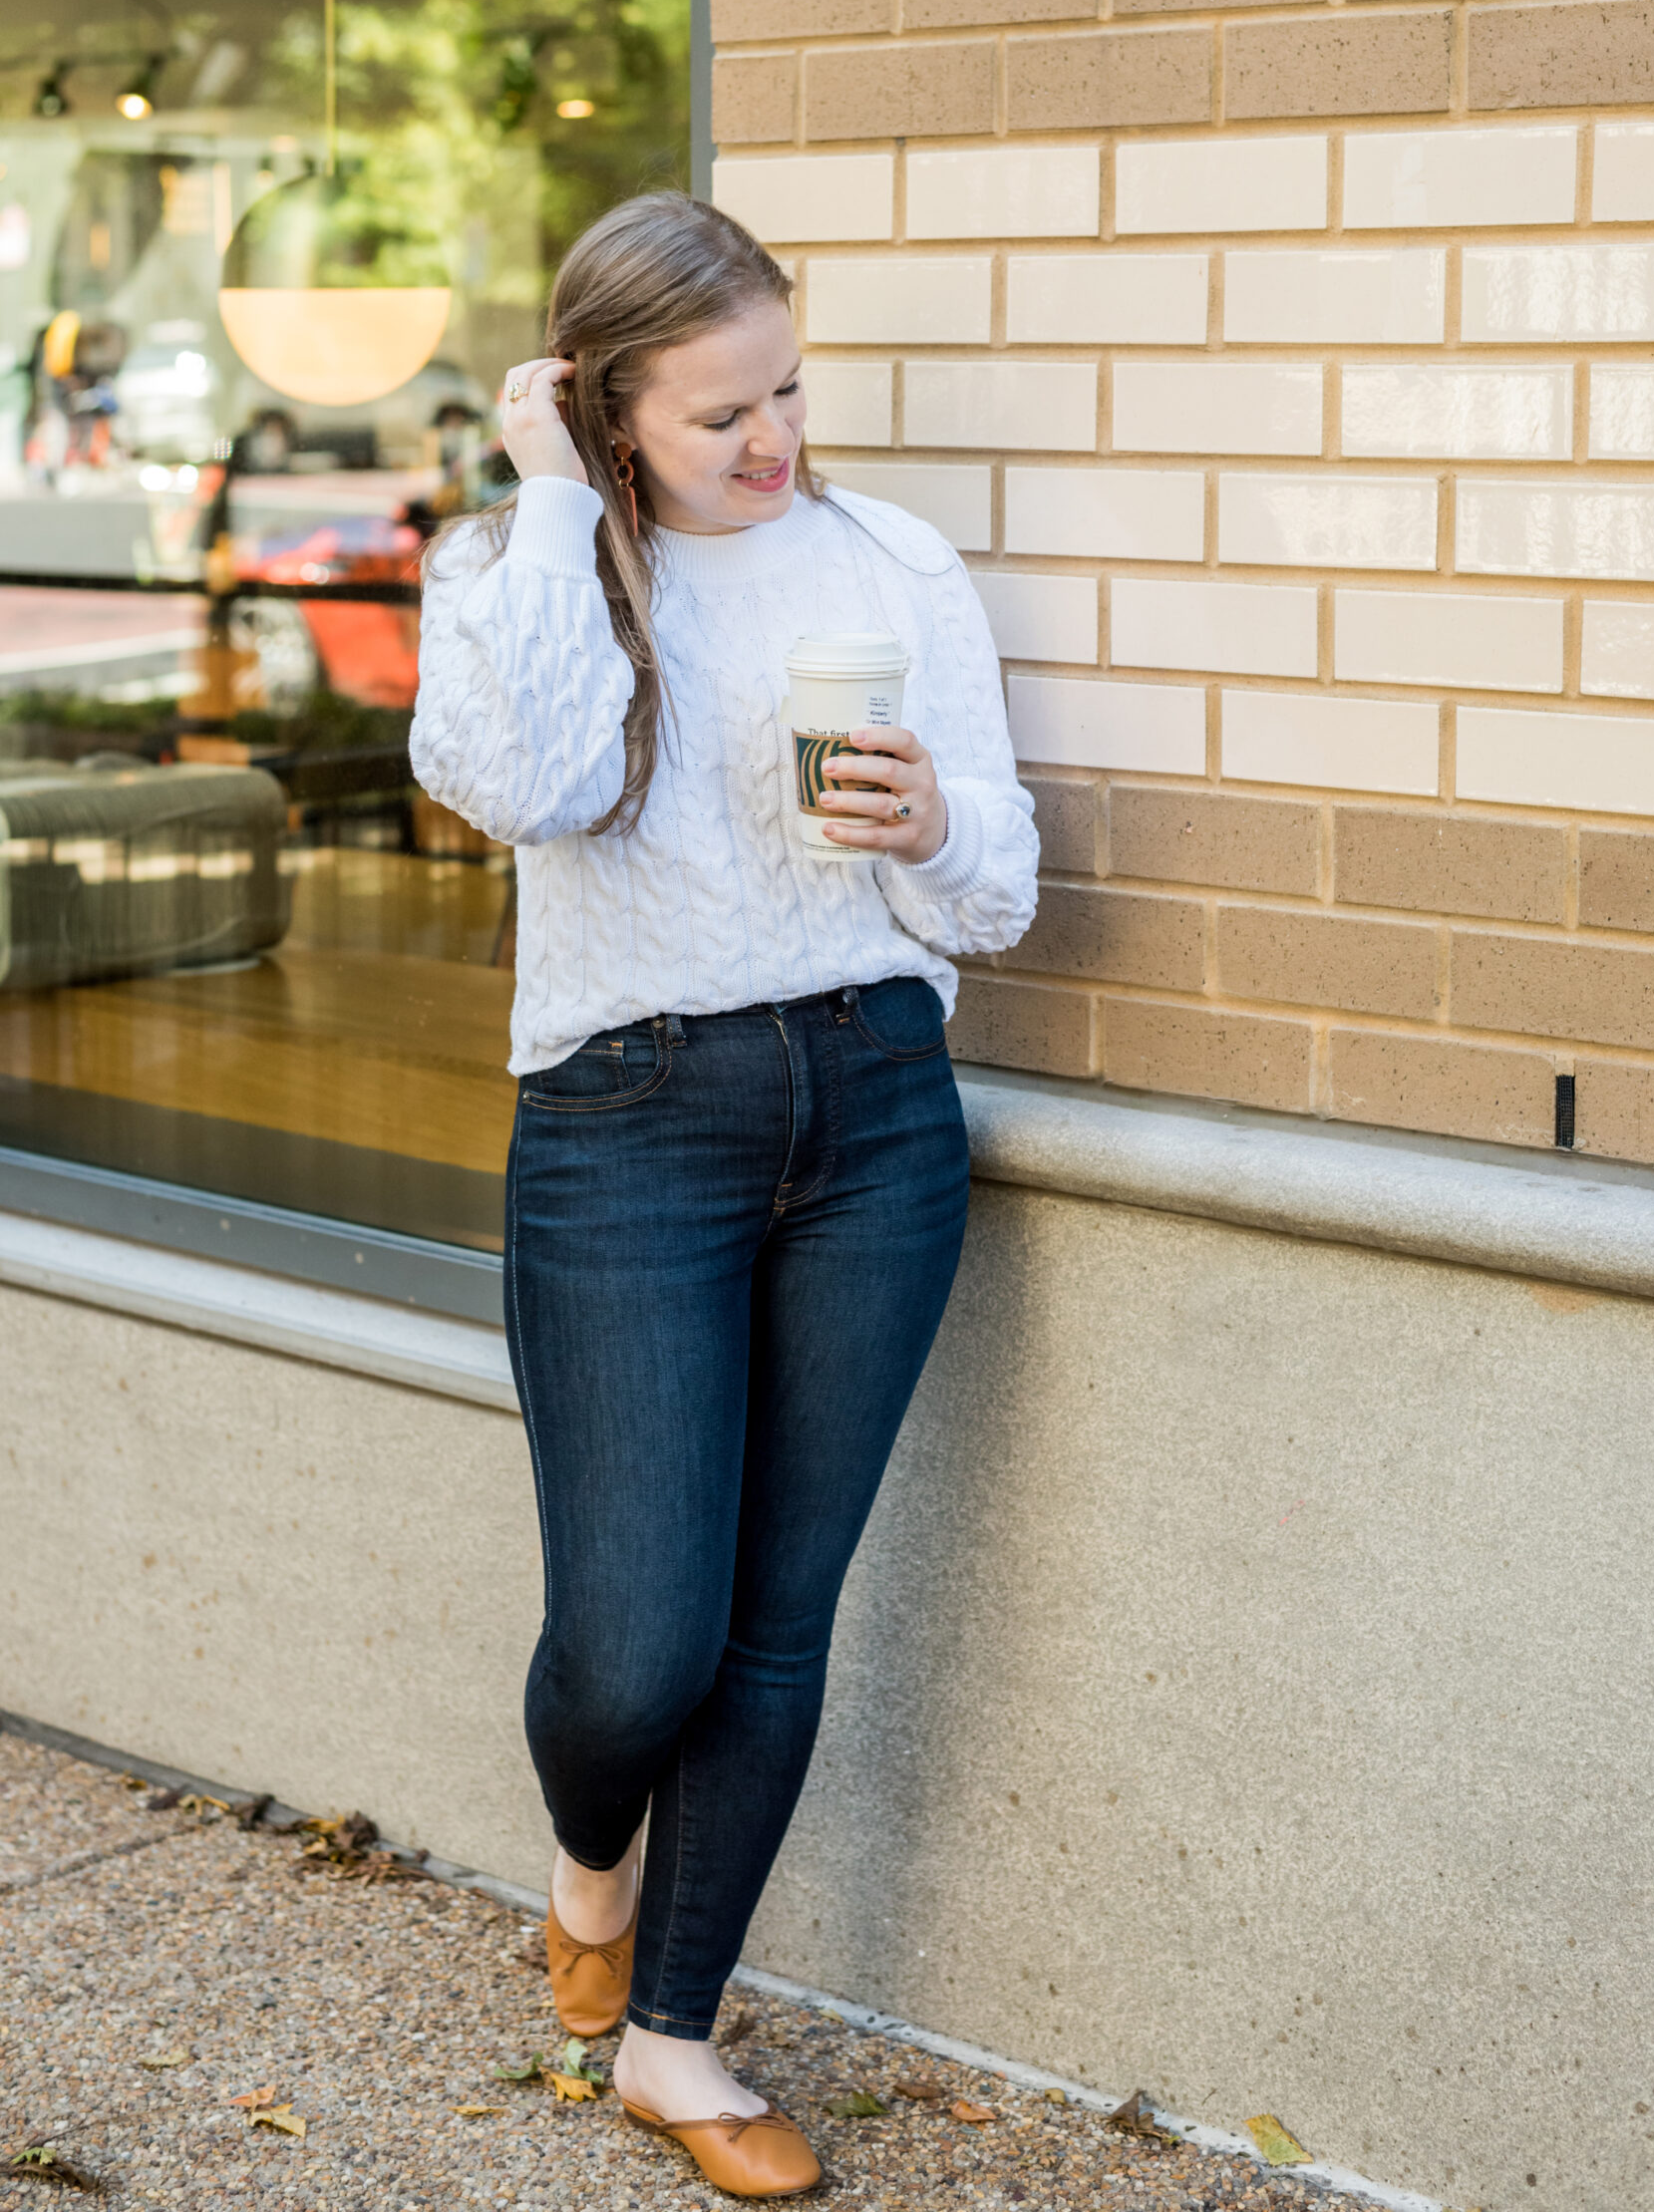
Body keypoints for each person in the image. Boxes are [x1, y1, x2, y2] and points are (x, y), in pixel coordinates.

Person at [411, 191, 1037, 2200]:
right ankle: (591, 1862)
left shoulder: (890, 561)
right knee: (634, 1640)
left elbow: (999, 889)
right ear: (600, 414)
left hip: (874, 1100)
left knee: (776, 1626)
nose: (772, 443)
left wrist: (934, 815)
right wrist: (542, 514)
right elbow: (536, 785)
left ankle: (674, 2037)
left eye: (786, 389)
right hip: (628, 1120)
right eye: (716, 417)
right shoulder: (520, 569)